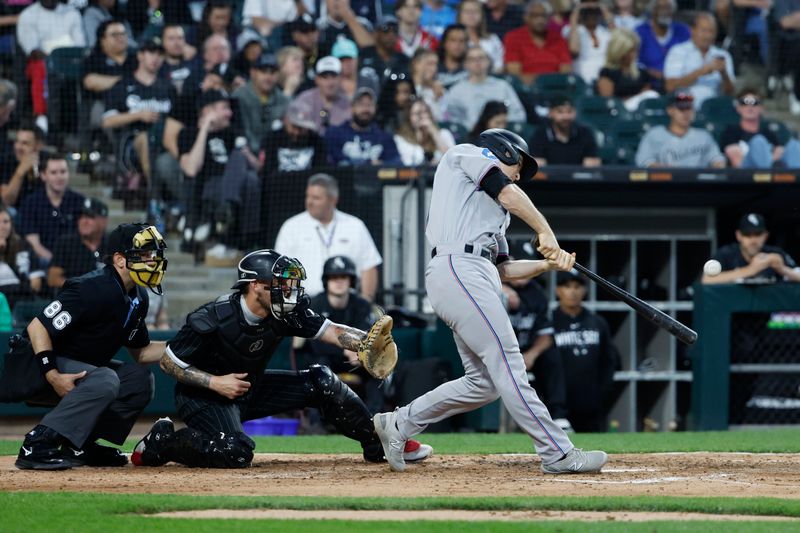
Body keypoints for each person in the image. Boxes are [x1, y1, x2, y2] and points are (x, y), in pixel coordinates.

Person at [371, 128, 607, 474]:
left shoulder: (494, 212)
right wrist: (546, 230)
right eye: (518, 166)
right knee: (510, 364)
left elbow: (507, 269)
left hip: (476, 274)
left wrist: (547, 263)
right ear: (503, 151)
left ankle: (399, 424)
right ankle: (558, 453)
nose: (518, 175)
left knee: (483, 383)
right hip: (458, 267)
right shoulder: (464, 155)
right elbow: (509, 192)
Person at [131, 250, 432, 468]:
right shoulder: (212, 317)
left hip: (250, 387)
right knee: (235, 451)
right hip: (204, 397)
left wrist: (365, 342)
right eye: (279, 283)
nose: (288, 290)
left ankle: (379, 444)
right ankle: (163, 442)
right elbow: (169, 362)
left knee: (323, 381)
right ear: (254, 286)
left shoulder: (284, 311)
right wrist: (215, 383)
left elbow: (332, 331)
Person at [7, 223, 168, 470]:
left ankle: (80, 446)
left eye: (154, 254)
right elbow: (37, 327)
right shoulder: (91, 287)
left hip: (84, 374)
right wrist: (53, 376)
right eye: (144, 254)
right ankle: (36, 443)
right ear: (120, 260)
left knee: (139, 380)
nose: (152, 260)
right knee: (106, 379)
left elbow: (143, 352)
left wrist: (186, 342)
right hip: (39, 367)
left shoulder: (138, 297)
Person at [274, 173, 382, 300]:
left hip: (346, 304)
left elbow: (369, 266)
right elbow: (281, 269)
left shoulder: (355, 226)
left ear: (333, 200)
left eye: (316, 198)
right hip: (305, 303)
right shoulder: (291, 227)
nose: (309, 202)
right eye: (308, 197)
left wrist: (365, 303)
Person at [178, 90, 260, 253]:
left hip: (237, 187)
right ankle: (231, 218)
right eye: (224, 108)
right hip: (209, 187)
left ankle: (228, 209)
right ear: (208, 111)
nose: (229, 113)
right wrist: (204, 130)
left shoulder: (233, 132)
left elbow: (257, 168)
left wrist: (246, 154)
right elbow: (191, 169)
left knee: (249, 174)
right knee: (248, 179)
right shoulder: (188, 133)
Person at [302, 255, 385, 413]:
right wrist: (345, 350)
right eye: (334, 277)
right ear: (326, 281)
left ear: (351, 281)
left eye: (344, 277)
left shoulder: (362, 305)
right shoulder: (315, 304)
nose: (339, 281)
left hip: (356, 360)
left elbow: (368, 336)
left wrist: (361, 354)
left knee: (376, 368)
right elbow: (316, 344)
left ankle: (376, 420)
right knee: (319, 365)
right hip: (326, 358)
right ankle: (316, 423)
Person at [101, 38, 178, 185]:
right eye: (151, 52)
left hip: (164, 139)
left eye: (159, 54)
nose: (155, 58)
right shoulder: (123, 85)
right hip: (132, 141)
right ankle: (153, 196)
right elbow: (107, 121)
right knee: (146, 139)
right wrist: (139, 115)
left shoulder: (168, 88)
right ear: (140, 55)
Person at [552, 269, 620, 432]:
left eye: (577, 287)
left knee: (595, 446)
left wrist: (603, 391)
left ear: (584, 290)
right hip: (559, 402)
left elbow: (609, 359)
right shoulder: (549, 321)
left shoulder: (597, 322)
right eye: (567, 286)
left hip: (592, 402)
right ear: (558, 290)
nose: (573, 292)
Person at [503, 276, 571, 431]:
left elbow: (546, 335)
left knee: (551, 357)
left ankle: (558, 415)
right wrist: (497, 285)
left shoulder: (537, 293)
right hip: (498, 350)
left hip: (525, 351)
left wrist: (531, 355)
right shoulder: (491, 283)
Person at [16, 0, 86, 133]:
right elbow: (32, 49)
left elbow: (80, 45)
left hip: (70, 60)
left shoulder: (72, 13)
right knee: (41, 68)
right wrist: (54, 56)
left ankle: (80, 125)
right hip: (42, 60)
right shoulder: (28, 14)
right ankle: (42, 116)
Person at [18, 154, 86, 265]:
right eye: (54, 173)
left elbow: (86, 238)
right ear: (43, 175)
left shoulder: (79, 201)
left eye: (63, 172)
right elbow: (35, 245)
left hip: (75, 261)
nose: (59, 177)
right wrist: (56, 263)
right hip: (44, 261)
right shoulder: (31, 203)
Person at [440, 46, 526, 132]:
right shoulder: (456, 90)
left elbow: (519, 114)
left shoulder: (502, 86)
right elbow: (449, 119)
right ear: (465, 64)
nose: (477, 62)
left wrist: (501, 122)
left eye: (481, 58)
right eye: (472, 59)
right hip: (469, 139)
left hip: (501, 135)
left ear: (488, 61)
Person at [635, 91, 726, 168]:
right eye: (681, 109)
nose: (686, 113)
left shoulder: (704, 136)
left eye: (689, 108)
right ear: (670, 110)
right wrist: (673, 173)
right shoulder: (654, 134)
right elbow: (645, 162)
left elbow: (718, 160)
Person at [702, 213, 800, 284]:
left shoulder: (775, 253)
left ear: (765, 236)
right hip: (734, 308)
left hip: (769, 309)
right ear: (738, 235)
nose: (753, 240)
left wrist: (783, 269)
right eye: (747, 234)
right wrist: (751, 270)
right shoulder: (727, 253)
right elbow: (706, 280)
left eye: (757, 234)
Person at [663, 12, 735, 108]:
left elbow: (730, 94)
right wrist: (701, 72)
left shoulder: (723, 55)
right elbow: (670, 86)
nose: (708, 36)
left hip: (714, 106)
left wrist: (724, 74)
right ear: (692, 30)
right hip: (685, 105)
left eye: (712, 31)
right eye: (704, 31)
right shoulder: (678, 51)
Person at [720, 89, 800, 168]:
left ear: (761, 108)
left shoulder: (768, 133)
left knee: (794, 145)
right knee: (758, 142)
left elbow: (780, 152)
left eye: (755, 103)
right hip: (747, 175)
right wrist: (771, 158)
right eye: (744, 103)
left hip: (773, 172)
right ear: (738, 108)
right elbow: (738, 164)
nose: (750, 107)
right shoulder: (731, 132)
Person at [324, 87, 401, 166]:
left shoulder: (384, 137)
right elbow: (333, 162)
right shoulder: (335, 134)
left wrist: (382, 164)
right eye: (361, 104)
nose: (365, 109)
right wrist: (368, 164)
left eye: (369, 105)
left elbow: (397, 163)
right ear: (352, 108)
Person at [504, 0, 572, 86]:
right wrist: (541, 83)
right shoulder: (513, 38)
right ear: (526, 17)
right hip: (526, 90)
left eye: (544, 16)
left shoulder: (558, 38)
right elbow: (514, 72)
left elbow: (566, 70)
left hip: (556, 89)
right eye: (535, 16)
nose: (540, 20)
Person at [47, 198, 109, 291]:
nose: (84, 221)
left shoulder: (112, 244)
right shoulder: (66, 243)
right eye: (81, 217)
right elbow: (53, 279)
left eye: (90, 217)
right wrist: (82, 287)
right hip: (75, 299)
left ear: (103, 221)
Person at [232, 53, 289, 152]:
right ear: (253, 73)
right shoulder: (239, 97)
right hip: (246, 154)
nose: (268, 77)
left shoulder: (284, 100)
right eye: (263, 71)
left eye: (272, 72)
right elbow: (243, 133)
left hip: (274, 155)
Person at [597, 28, 658, 112]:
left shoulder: (641, 73)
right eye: (631, 51)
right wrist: (631, 99)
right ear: (620, 51)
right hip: (618, 111)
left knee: (652, 95)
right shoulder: (607, 73)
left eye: (636, 49)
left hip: (640, 111)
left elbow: (646, 95)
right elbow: (608, 101)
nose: (635, 53)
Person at [261, 99, 327, 176]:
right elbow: (268, 171)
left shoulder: (317, 141)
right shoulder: (272, 139)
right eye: (294, 127)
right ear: (286, 120)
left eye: (301, 128)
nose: (297, 132)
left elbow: (320, 171)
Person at [635, 0, 690, 92]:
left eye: (668, 8)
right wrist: (651, 72)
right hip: (649, 83)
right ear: (653, 11)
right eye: (661, 8)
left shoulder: (682, 31)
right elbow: (634, 62)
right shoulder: (640, 31)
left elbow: (691, 54)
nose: (665, 12)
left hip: (679, 83)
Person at [530, 95, 600, 167]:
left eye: (569, 112)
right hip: (550, 177)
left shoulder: (585, 133)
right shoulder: (540, 135)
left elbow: (592, 165)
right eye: (560, 112)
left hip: (579, 177)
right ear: (550, 113)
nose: (565, 116)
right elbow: (539, 166)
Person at [0, 205, 45, 310]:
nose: (2, 226)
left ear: (12, 224)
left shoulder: (24, 246)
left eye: (6, 221)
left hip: (21, 299)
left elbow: (36, 284)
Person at [293, 56, 352, 135]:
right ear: (317, 79)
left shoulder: (347, 103)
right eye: (325, 77)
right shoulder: (304, 100)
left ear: (341, 79)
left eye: (334, 77)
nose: (330, 83)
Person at [563, 1, 614, 84]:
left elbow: (619, 45)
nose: (591, 16)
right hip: (582, 80)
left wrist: (605, 12)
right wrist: (576, 12)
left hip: (603, 80)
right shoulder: (572, 30)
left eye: (594, 12)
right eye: (587, 13)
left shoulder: (605, 32)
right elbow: (574, 50)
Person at [394, 99, 456, 166]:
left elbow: (453, 160)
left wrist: (433, 132)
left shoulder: (444, 134)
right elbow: (408, 164)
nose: (422, 117)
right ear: (409, 117)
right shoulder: (401, 139)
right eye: (417, 113)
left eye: (425, 112)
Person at [0, 124, 45, 210]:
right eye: (17, 142)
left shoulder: (48, 163)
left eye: (25, 143)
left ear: (39, 146)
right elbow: (7, 200)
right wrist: (20, 171)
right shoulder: (5, 163)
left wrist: (33, 168)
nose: (18, 147)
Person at [457, 0, 505, 74]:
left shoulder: (493, 39)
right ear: (460, 15)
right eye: (467, 11)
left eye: (475, 11)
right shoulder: (454, 40)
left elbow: (500, 63)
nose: (471, 15)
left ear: (482, 15)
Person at [359, 16, 410, 84]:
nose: (391, 35)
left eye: (395, 30)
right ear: (376, 33)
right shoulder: (364, 55)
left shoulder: (404, 61)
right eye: (385, 29)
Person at [159, 24, 198, 97]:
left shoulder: (195, 63)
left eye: (180, 38)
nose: (177, 43)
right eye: (171, 38)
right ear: (163, 42)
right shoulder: (158, 68)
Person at [410, 48, 444, 120]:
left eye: (436, 65)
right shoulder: (406, 88)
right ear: (416, 64)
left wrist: (437, 100)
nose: (434, 69)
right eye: (430, 64)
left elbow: (441, 118)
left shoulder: (437, 91)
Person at [436, 24, 469, 90]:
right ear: (444, 43)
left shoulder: (471, 68)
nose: (458, 45)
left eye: (462, 41)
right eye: (453, 40)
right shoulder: (433, 67)